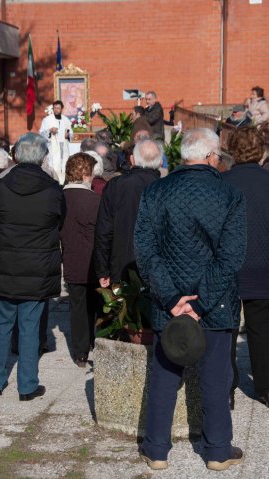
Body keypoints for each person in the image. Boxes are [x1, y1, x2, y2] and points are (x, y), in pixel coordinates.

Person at [134, 128, 246, 471]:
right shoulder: (229, 195)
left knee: (165, 375)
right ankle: (217, 451)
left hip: (172, 303)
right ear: (211, 156)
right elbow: (231, 257)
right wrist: (198, 304)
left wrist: (172, 300)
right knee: (216, 376)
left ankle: (156, 450)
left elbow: (145, 251)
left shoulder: (155, 192)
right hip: (215, 303)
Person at [0, 133, 62, 401]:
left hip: (5, 265)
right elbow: (60, 221)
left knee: (1, 326)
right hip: (37, 267)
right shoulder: (53, 190)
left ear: (16, 155)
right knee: (30, 329)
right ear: (42, 156)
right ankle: (26, 386)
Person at [223, 127, 269, 408]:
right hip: (263, 265)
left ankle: (226, 385)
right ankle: (265, 388)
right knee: (262, 330)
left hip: (229, 265)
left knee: (225, 328)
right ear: (261, 150)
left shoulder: (222, 182)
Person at [94, 139, 161, 286]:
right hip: (156, 268)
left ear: (132, 159)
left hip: (121, 263)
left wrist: (102, 269)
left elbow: (104, 231)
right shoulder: (165, 188)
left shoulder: (115, 185)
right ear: (160, 161)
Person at [60, 153, 100, 367]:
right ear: (85, 173)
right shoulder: (95, 200)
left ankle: (80, 351)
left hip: (72, 258)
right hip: (94, 259)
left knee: (77, 306)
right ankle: (93, 341)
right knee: (95, 304)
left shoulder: (59, 198)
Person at [39, 100, 73, 185]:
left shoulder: (66, 120)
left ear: (62, 109)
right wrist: (50, 131)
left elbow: (71, 133)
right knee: (53, 164)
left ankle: (63, 183)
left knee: (64, 164)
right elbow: (41, 133)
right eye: (55, 108)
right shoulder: (47, 120)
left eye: (58, 108)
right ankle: (53, 183)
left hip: (64, 146)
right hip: (53, 147)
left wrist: (68, 135)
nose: (56, 110)